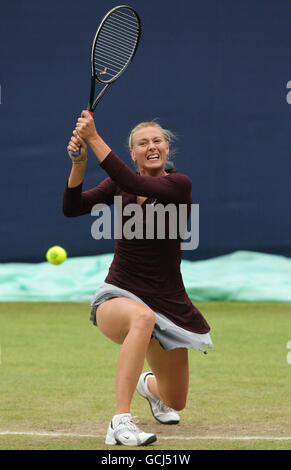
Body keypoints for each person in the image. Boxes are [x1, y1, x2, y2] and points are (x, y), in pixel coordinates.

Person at [63, 111, 213, 447]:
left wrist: (93, 137)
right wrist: (79, 164)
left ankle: (148, 386)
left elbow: (136, 183)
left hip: (168, 305)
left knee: (176, 401)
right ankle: (120, 421)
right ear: (132, 154)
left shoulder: (178, 184)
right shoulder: (119, 183)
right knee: (141, 316)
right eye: (142, 143)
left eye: (157, 140)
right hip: (119, 297)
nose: (151, 146)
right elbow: (73, 207)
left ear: (167, 147)